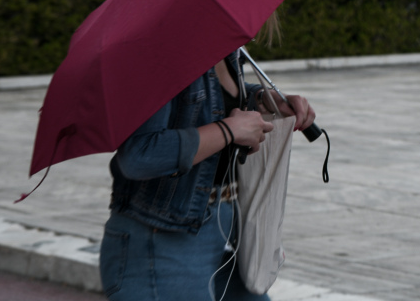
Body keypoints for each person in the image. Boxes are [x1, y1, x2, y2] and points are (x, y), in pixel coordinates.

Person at [99, 22, 315, 301]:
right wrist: (228, 131)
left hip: (219, 227)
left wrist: (261, 99)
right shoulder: (162, 48)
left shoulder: (223, 42)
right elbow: (139, 156)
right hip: (161, 242)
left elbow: (205, 103)